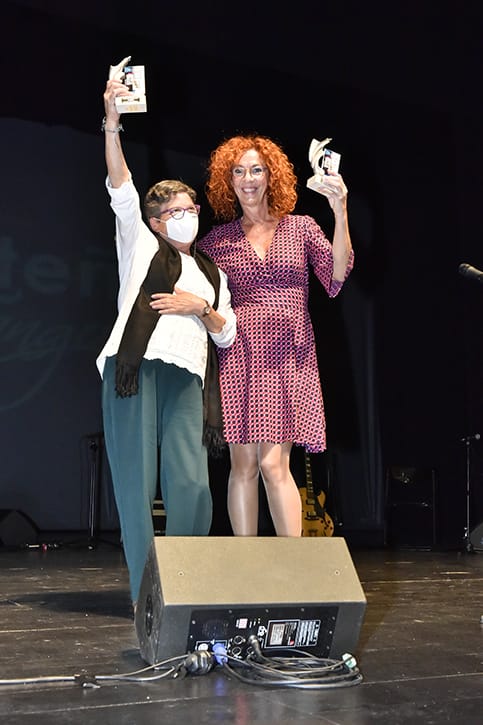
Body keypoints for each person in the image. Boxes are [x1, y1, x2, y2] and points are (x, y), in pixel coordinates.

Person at [96, 79, 236, 607]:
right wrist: (112, 123)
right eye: (176, 210)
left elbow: (227, 332)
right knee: (138, 485)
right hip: (135, 369)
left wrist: (200, 307)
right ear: (156, 221)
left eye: (191, 207)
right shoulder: (139, 242)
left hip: (188, 379)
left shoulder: (212, 272)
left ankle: (185, 587)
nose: (187, 215)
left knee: (192, 487)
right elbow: (121, 186)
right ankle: (147, 598)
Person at [198, 135, 354, 537]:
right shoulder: (216, 242)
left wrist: (340, 210)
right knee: (243, 465)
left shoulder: (300, 227)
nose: (248, 179)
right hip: (239, 354)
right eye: (238, 171)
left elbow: (336, 274)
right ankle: (247, 562)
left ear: (271, 176)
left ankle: (293, 562)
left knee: (273, 464)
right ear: (228, 180)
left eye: (256, 170)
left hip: (289, 353)